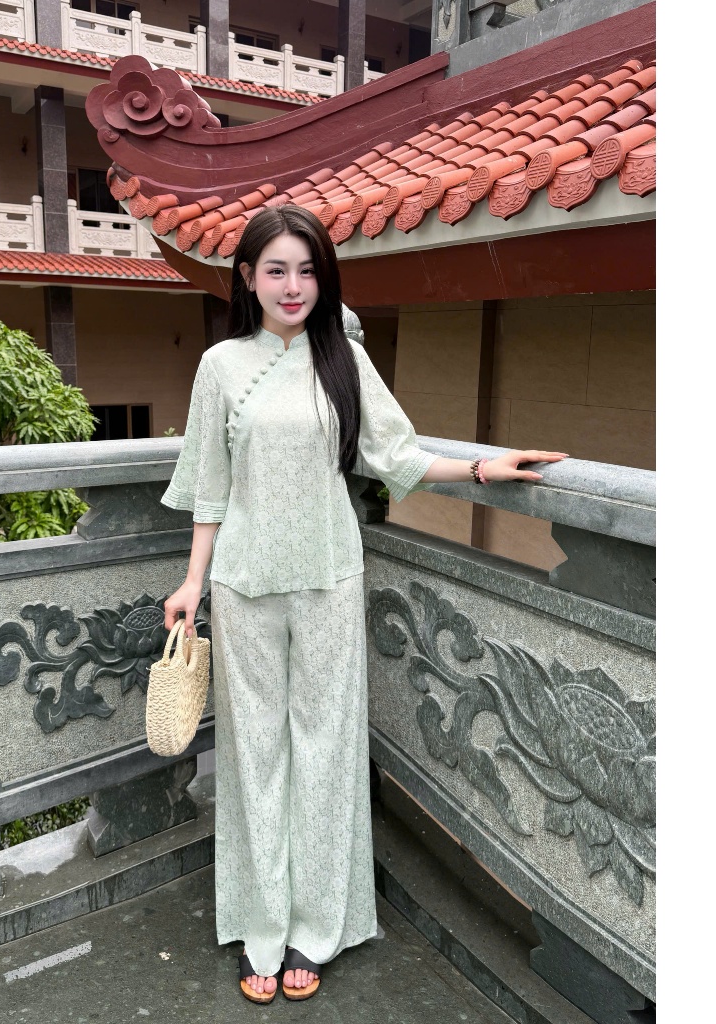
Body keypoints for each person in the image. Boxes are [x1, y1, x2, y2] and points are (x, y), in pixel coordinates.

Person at [161, 205, 566, 1004]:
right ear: (247, 278)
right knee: (254, 754)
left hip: (330, 578)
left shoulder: (342, 358)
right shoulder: (221, 367)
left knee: (324, 748)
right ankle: (262, 926)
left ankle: (315, 928)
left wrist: (480, 470)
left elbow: (394, 453)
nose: (293, 286)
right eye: (276, 270)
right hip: (243, 584)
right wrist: (192, 582)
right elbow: (212, 487)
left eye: (308, 270)